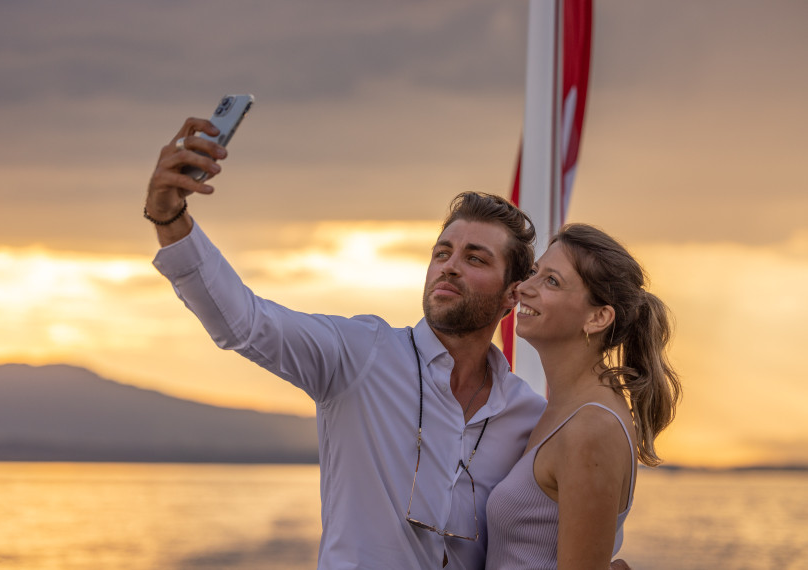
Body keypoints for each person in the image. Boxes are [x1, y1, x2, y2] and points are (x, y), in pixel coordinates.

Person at [144, 117, 631, 569]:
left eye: (475, 258)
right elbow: (245, 322)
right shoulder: (359, 356)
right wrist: (170, 218)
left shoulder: (527, 415)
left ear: (511, 294)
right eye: (443, 252)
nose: (450, 266)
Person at [485, 224, 681, 569]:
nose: (524, 288)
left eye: (551, 281)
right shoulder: (563, 410)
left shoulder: (591, 429)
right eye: (534, 272)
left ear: (598, 317)